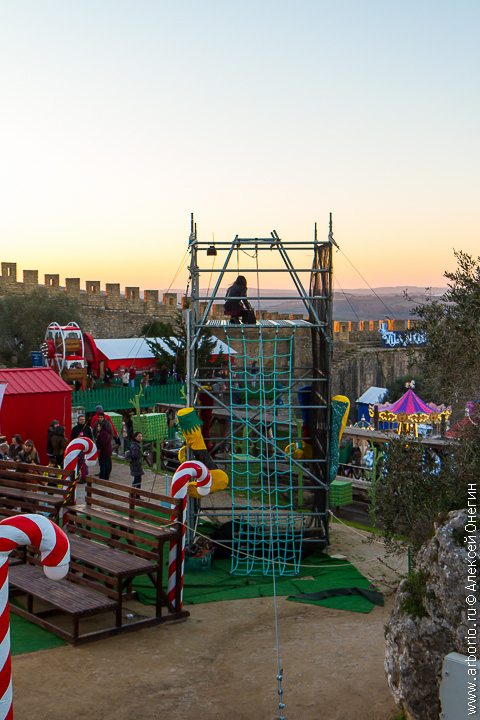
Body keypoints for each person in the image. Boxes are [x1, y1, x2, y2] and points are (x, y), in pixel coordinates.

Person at [95, 415, 113, 480]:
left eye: (98, 426)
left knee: (104, 464)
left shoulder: (103, 433)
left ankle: (103, 477)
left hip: (104, 451)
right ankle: (105, 476)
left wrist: (98, 445)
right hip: (107, 450)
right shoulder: (105, 432)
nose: (97, 427)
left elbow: (102, 442)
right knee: (107, 463)